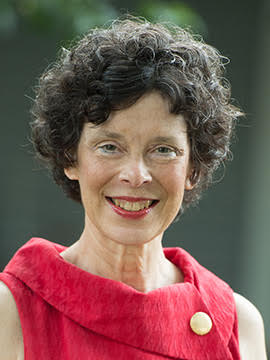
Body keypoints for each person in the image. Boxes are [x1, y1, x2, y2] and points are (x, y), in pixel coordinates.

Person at [0, 15, 267, 360]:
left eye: (163, 150)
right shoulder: (11, 312)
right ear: (70, 157)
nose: (136, 175)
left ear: (194, 169)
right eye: (110, 146)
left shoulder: (237, 323)